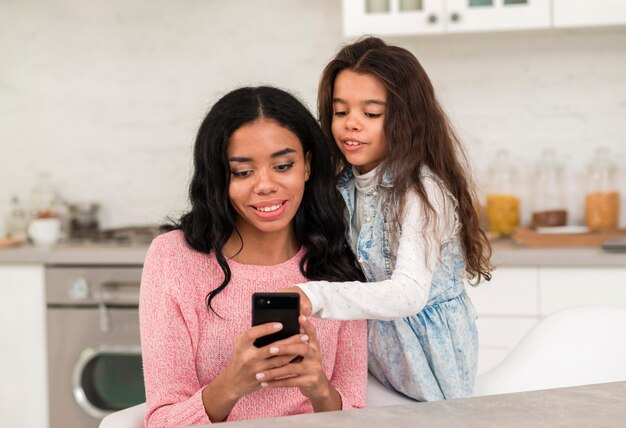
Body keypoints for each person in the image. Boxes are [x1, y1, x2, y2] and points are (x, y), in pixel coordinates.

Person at [139, 86, 368, 427]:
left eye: (283, 165)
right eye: (243, 172)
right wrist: (232, 384)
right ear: (220, 178)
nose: (265, 185)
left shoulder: (337, 262)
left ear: (307, 165)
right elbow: (161, 422)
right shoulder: (174, 259)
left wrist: (318, 387)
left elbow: (358, 418)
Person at [287, 37, 494, 401]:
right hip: (376, 361)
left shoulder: (421, 194)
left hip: (431, 369)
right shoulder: (342, 187)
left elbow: (408, 294)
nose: (351, 125)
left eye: (371, 114)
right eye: (340, 112)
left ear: (405, 120)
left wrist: (313, 295)